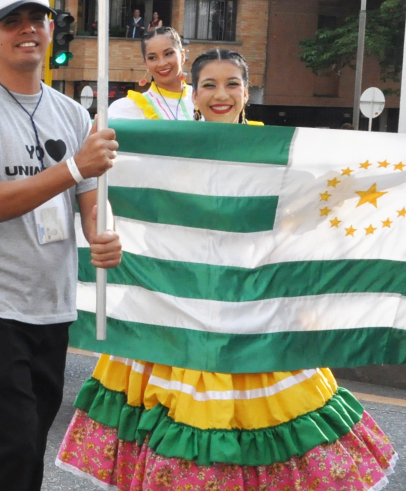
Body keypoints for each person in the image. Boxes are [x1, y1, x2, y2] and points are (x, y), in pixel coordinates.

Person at [54, 49, 398, 490]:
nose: (221, 94)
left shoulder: (275, 147)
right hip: (177, 314)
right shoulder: (168, 150)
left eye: (232, 83)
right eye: (209, 85)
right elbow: (131, 206)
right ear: (193, 94)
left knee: (263, 445)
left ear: (246, 92)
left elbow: (313, 210)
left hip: (255, 315)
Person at [0, 0, 122, 491]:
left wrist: (102, 234)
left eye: (36, 19)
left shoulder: (72, 114)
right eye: (10, 21)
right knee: (8, 445)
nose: (27, 30)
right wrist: (74, 168)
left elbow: (90, 205)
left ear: (51, 29)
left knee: (29, 447)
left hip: (50, 302)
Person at [107, 27, 194, 121]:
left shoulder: (202, 99)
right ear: (146, 64)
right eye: (152, 58)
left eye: (168, 54)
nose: (162, 63)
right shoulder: (131, 109)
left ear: (182, 56)